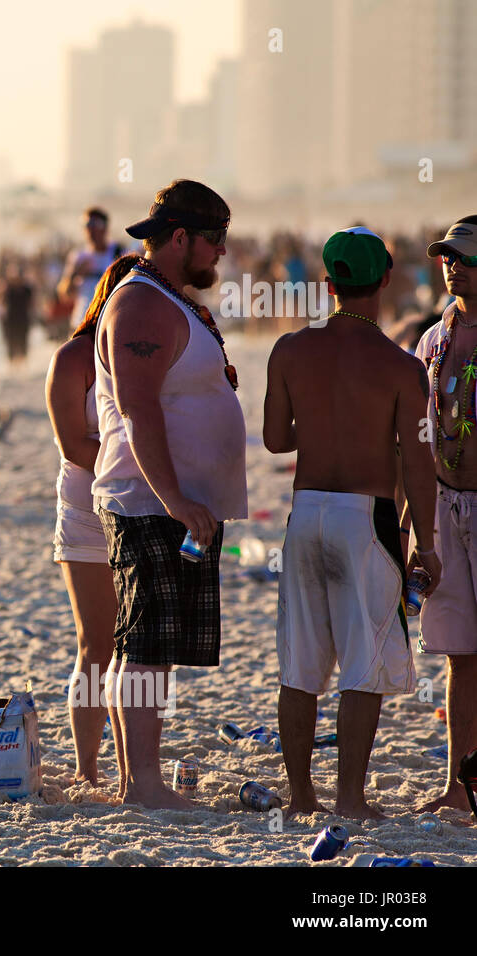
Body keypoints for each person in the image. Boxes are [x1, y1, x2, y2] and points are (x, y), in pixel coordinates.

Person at [265, 227, 439, 820]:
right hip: (365, 519)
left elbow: (273, 439)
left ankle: (301, 797)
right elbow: (420, 465)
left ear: (328, 283)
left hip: (306, 510)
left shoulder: (289, 349)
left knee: (302, 664)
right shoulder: (400, 366)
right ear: (386, 280)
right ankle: (349, 799)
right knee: (362, 664)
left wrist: (320, 427)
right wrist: (428, 546)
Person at [91, 180, 246, 809]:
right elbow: (137, 409)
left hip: (173, 503)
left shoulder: (167, 300)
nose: (221, 255)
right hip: (149, 501)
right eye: (215, 241)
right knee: (146, 646)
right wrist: (177, 498)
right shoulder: (141, 305)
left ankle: (139, 780)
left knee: (151, 645)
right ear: (179, 237)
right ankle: (144, 785)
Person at [46, 253, 139, 790]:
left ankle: (134, 767)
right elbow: (72, 445)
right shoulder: (75, 356)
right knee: (95, 644)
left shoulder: (143, 357)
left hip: (142, 507)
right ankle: (87, 766)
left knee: (140, 645)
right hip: (87, 509)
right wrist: (136, 462)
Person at [412, 217, 477, 813]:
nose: (452, 265)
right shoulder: (433, 340)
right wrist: (416, 529)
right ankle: (460, 788)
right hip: (444, 503)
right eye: (445, 257)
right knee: (460, 653)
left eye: (463, 256)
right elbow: (416, 439)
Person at [58, 207, 123, 330]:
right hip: (81, 323)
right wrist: (74, 275)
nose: (90, 229)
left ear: (105, 228)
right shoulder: (78, 257)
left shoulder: (118, 253)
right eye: (87, 224)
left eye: (95, 224)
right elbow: (65, 295)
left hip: (108, 323)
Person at [1, 264, 35, 374]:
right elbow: (1, 303)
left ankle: (22, 365)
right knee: (11, 342)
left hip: (23, 319)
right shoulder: (7, 288)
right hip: (10, 320)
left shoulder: (27, 289)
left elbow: (32, 303)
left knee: (23, 341)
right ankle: (12, 366)